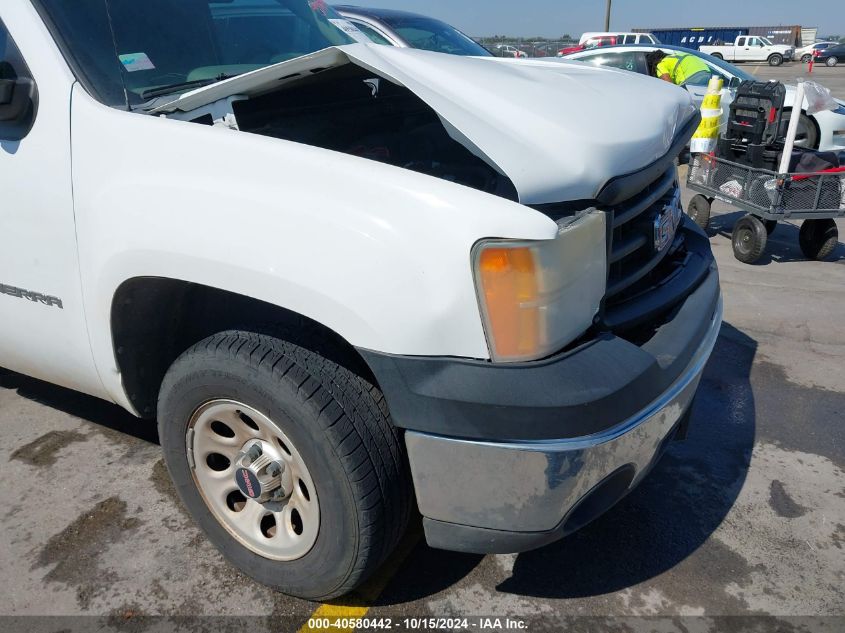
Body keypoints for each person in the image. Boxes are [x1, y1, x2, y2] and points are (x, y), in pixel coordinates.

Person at [646, 50, 712, 86]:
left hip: (692, 77)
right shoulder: (677, 55)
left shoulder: (661, 64)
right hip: (707, 72)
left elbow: (669, 86)